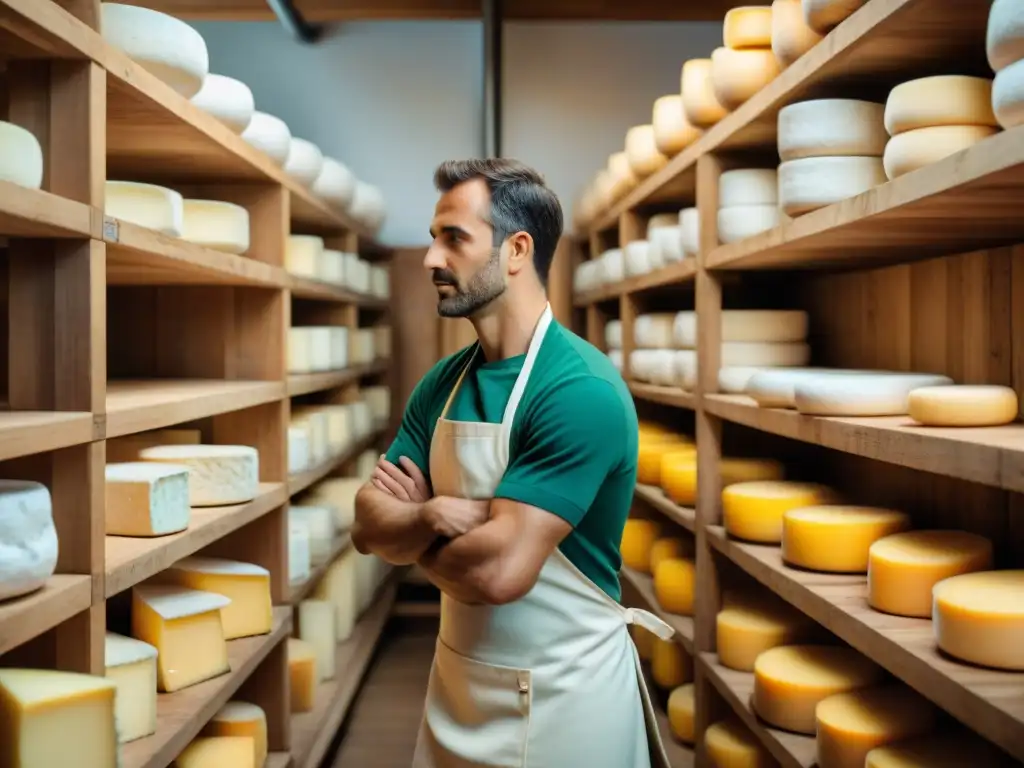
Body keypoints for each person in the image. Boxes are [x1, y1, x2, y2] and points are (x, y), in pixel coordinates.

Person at [352, 158, 674, 768]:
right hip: (456, 689)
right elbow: (368, 525)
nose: (430, 259)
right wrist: (433, 518)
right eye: (432, 239)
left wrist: (412, 521)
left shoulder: (579, 390)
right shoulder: (442, 384)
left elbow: (498, 574)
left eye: (454, 238)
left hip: (565, 704)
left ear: (517, 250)